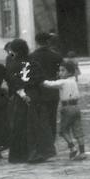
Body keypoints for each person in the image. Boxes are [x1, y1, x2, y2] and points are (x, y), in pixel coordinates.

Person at [23, 31, 63, 163]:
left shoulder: (31, 56)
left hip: (37, 92)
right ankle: (50, 146)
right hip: (52, 91)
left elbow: (26, 75)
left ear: (36, 42)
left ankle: (41, 147)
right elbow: (60, 73)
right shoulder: (56, 56)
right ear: (48, 42)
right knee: (51, 118)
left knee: (38, 120)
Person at [42, 59, 86, 159]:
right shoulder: (74, 80)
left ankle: (72, 148)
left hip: (66, 107)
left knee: (64, 130)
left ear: (69, 72)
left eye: (62, 70)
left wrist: (41, 80)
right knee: (78, 130)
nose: (60, 73)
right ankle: (82, 151)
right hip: (76, 107)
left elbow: (49, 84)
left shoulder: (62, 82)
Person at [4, 40, 32, 164]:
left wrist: (21, 93)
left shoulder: (12, 63)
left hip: (19, 97)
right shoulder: (31, 61)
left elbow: (12, 81)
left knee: (19, 126)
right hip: (33, 96)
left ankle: (18, 155)